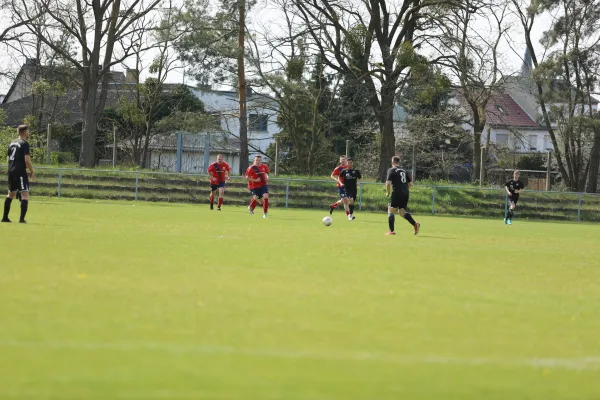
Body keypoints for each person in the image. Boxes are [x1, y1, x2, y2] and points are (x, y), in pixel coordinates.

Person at [2, 125, 35, 223]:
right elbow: (27, 160)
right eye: (28, 131)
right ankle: (21, 219)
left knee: (11, 194)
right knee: (25, 194)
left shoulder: (12, 143)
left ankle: (5, 217)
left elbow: (8, 158)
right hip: (20, 171)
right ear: (25, 132)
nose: (28, 133)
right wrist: (32, 171)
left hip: (11, 170)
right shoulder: (24, 143)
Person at [385, 156, 420, 235]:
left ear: (392, 162)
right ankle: (415, 224)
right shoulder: (404, 170)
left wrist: (387, 192)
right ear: (399, 162)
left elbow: (388, 183)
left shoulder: (391, 170)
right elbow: (410, 184)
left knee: (390, 210)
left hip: (396, 192)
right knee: (401, 212)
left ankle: (391, 231)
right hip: (405, 193)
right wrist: (403, 188)